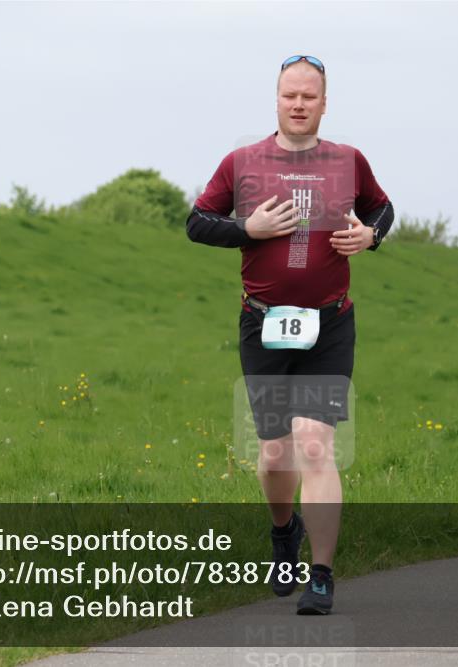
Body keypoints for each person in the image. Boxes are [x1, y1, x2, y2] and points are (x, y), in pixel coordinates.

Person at [186, 55, 393, 614]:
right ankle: (285, 532)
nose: (299, 104)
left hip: (330, 322)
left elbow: (382, 209)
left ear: (325, 103)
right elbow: (196, 223)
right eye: (289, 95)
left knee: (315, 445)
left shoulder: (349, 161)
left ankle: (321, 575)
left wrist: (370, 239)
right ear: (276, 100)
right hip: (264, 322)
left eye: (309, 96)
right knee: (276, 453)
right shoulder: (243, 162)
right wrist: (244, 229)